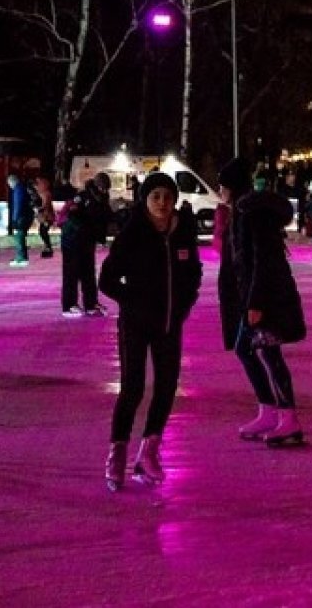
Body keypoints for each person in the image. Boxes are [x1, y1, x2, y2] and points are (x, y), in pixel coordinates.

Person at [98, 172, 202, 490]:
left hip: (170, 323)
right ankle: (117, 453)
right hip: (136, 325)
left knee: (167, 386)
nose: (162, 203)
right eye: (156, 197)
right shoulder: (133, 233)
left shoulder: (183, 231)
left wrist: (184, 304)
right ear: (145, 199)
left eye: (167, 197)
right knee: (133, 388)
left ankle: (149, 452)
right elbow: (107, 280)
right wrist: (133, 302)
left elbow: (193, 272)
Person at [216, 157, 308, 446]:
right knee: (246, 348)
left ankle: (288, 418)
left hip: (267, 298)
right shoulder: (241, 212)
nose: (220, 192)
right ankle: (268, 409)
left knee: (269, 353)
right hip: (254, 297)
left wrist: (255, 302)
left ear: (231, 187)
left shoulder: (251, 214)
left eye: (222, 186)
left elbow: (263, 260)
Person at [60, 172, 112, 318]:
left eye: (106, 188)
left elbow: (103, 219)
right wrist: (84, 230)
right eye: (102, 187)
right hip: (73, 240)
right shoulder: (83, 197)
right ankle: (69, 305)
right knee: (72, 272)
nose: (104, 191)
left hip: (87, 240)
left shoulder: (101, 199)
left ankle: (91, 303)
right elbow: (73, 216)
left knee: (88, 272)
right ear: (96, 185)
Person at [6, 173, 35, 266]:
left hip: (21, 217)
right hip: (25, 215)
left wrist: (14, 219)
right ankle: (22, 257)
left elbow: (18, 205)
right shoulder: (22, 188)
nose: (9, 186)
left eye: (9, 184)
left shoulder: (18, 190)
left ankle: (21, 258)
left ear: (12, 182)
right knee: (20, 236)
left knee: (19, 237)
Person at [33, 176, 56, 258]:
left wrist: (39, 209)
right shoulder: (44, 193)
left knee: (43, 232)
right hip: (46, 216)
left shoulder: (45, 193)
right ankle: (47, 247)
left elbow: (46, 205)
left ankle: (48, 248)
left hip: (47, 216)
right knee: (43, 232)